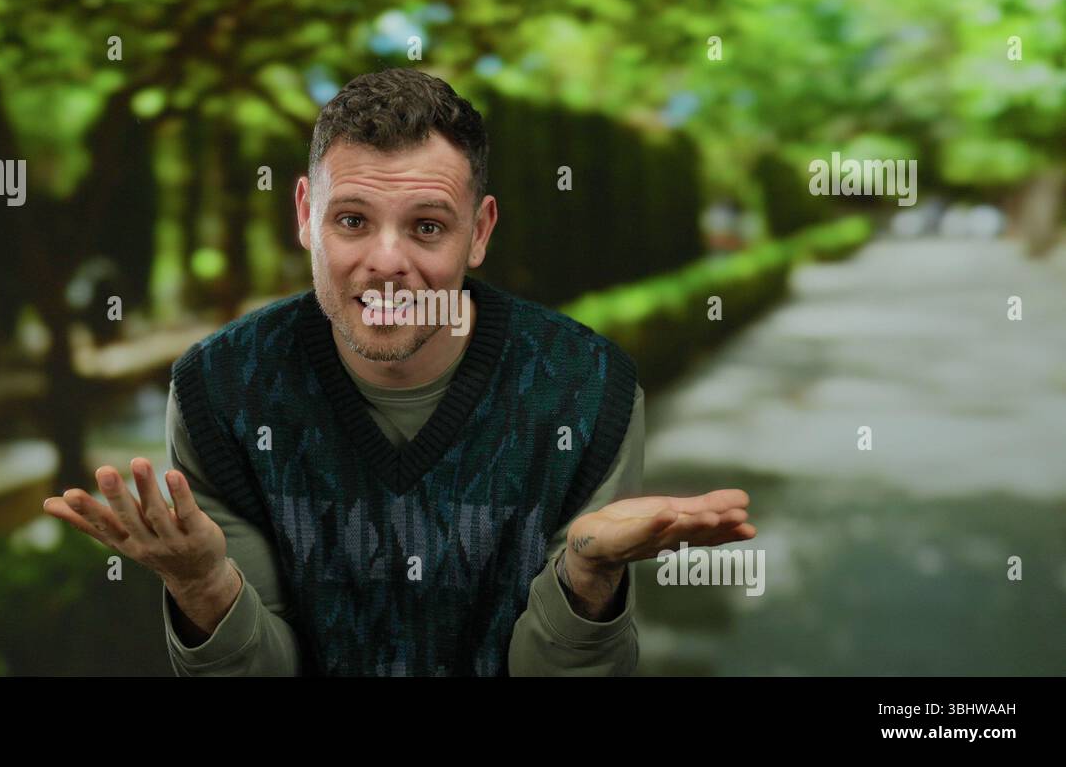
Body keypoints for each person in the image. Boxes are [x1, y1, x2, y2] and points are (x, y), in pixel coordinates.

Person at [43, 67, 755, 676]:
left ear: (478, 232)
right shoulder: (222, 388)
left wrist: (586, 579)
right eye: (351, 220)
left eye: (426, 226)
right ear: (304, 214)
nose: (385, 260)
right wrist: (201, 582)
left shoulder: (585, 389)